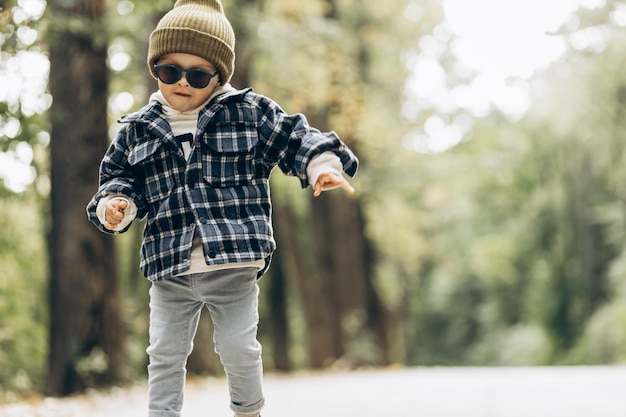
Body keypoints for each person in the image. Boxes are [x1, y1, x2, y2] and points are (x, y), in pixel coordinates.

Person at [86, 0, 358, 416]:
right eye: (168, 71)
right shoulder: (137, 128)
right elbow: (118, 178)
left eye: (197, 74)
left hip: (233, 262)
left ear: (219, 75)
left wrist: (321, 163)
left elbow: (296, 137)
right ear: (155, 67)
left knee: (237, 347)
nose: (182, 83)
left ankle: (248, 411)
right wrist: (114, 203)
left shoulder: (248, 114)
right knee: (164, 353)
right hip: (169, 266)